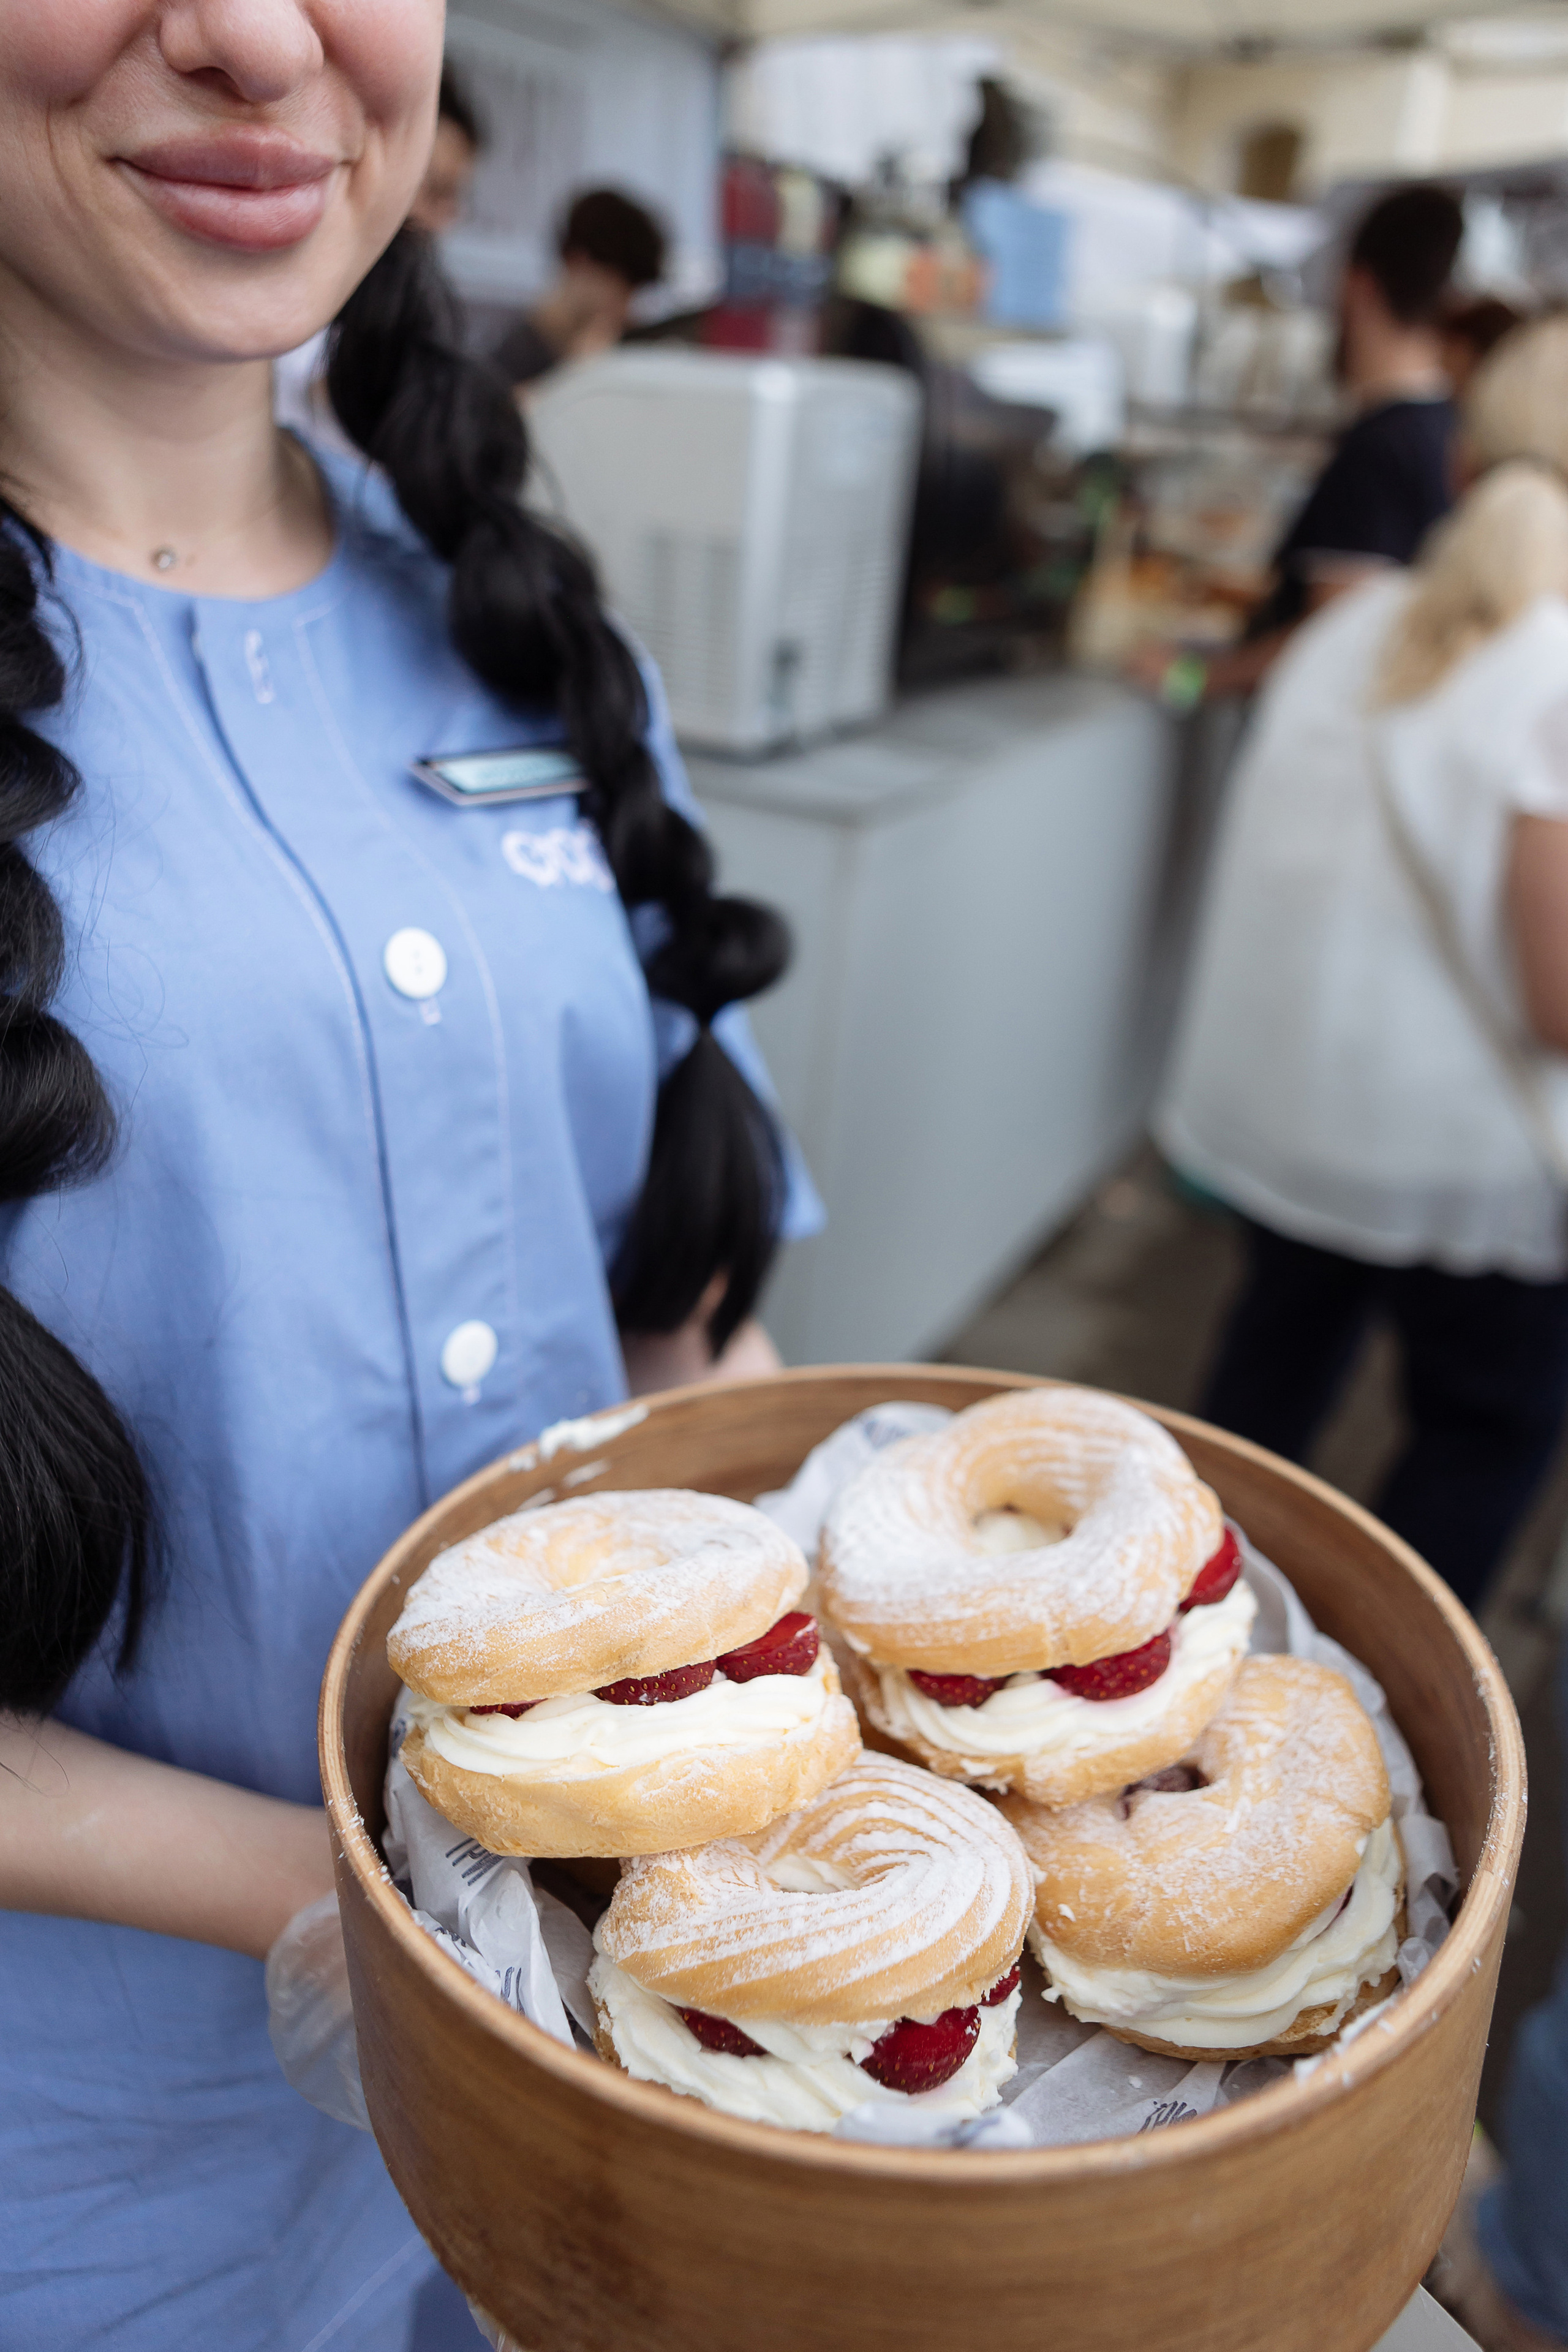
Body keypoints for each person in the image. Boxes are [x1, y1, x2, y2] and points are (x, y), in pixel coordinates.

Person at [0, 7, 817, 2348]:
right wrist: (380, 1907)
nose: (261, 38)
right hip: (87, 2202)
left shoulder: (515, 625)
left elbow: (675, 1294)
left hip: (597, 2141)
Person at [1157, 314, 1568, 1612]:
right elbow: (1556, 1000)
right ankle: (1379, 1708)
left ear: (1458, 458)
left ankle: (1181, 1648)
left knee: (1258, 1403)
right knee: (1480, 1432)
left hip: (1295, 1128)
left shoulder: (1351, 626)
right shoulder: (1551, 659)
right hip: (1470, 1170)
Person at [1139, 181, 1464, 709]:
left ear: (1357, 286)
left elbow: (1331, 637)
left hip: (1321, 755)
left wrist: (1191, 678)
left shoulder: (1382, 447)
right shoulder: (1448, 428)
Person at [492, 187, 667, 392]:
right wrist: (579, 375)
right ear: (579, 262)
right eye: (621, 291)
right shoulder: (513, 355)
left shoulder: (622, 347)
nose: (626, 310)